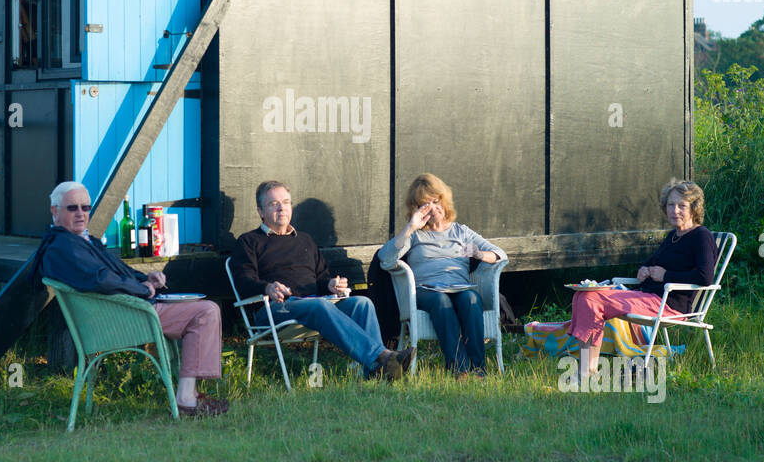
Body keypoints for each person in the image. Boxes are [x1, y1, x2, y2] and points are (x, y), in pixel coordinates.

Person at [36, 181, 228, 417]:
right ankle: (186, 398)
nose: (80, 214)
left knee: (198, 308)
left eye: (85, 208)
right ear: (55, 211)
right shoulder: (63, 248)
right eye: (72, 208)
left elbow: (115, 270)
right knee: (205, 311)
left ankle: (188, 395)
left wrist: (145, 278)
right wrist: (142, 290)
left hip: (121, 312)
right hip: (122, 319)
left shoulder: (78, 242)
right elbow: (100, 279)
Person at [232, 180, 415, 381]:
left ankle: (375, 373)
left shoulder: (305, 240)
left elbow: (320, 277)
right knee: (318, 305)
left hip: (313, 304)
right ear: (260, 211)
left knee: (362, 303)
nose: (281, 207)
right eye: (273, 203)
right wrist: (267, 287)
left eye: (285, 202)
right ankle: (383, 357)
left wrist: (330, 285)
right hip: (276, 309)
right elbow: (243, 281)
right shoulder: (249, 241)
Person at [566, 179, 716, 378]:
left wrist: (665, 276)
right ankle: (588, 369)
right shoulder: (673, 236)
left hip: (670, 305)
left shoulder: (701, 236)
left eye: (682, 205)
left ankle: (586, 372)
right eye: (671, 205)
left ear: (694, 208)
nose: (675, 210)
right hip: (649, 298)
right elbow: (651, 263)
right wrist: (643, 270)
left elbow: (705, 277)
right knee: (584, 296)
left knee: (591, 299)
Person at [378, 174, 505, 377]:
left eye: (436, 202)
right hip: (425, 291)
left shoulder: (461, 232)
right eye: (425, 205)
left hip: (459, 287)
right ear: (416, 209)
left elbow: (500, 254)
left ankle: (479, 369)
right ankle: (459, 369)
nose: (433, 208)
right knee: (441, 301)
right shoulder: (415, 235)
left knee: (471, 298)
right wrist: (411, 227)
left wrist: (479, 254)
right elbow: (385, 259)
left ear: (444, 201)